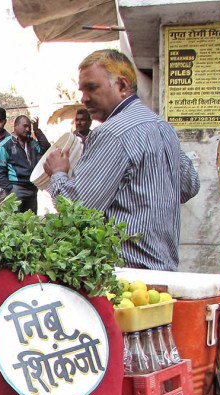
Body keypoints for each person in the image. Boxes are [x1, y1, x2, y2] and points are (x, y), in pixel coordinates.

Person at [44, 49, 200, 271]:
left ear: (122, 86)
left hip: (127, 276)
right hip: (166, 272)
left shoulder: (111, 133)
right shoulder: (163, 127)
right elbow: (189, 186)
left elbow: (78, 211)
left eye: (91, 88)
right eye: (82, 90)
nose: (84, 98)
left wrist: (58, 173)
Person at [0, 115, 51, 214]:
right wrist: (9, 188)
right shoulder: (5, 145)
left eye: (29, 127)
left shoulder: (31, 143)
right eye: (25, 126)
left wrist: (36, 130)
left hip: (32, 187)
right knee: (15, 221)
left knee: (30, 221)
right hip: (16, 188)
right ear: (15, 126)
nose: (28, 129)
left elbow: (45, 148)